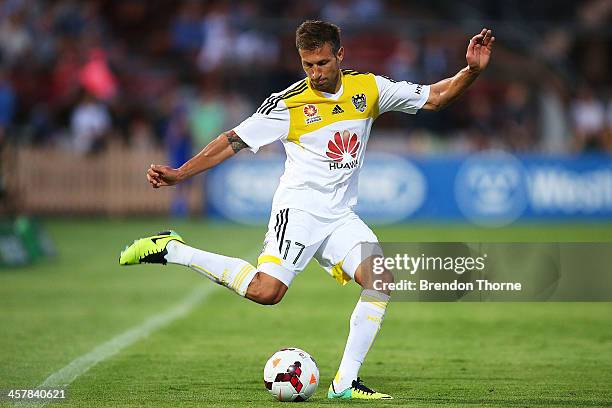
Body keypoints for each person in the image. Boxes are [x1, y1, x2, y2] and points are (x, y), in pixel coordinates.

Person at [120, 21, 494, 400]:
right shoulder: (287, 104)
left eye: (321, 63)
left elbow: (434, 97)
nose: (315, 73)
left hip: (341, 217)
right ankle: (173, 250)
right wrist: (181, 173)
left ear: (340, 56)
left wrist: (471, 72)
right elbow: (231, 140)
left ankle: (345, 383)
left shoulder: (369, 88)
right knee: (267, 292)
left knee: (380, 279)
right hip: (298, 211)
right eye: (307, 64)